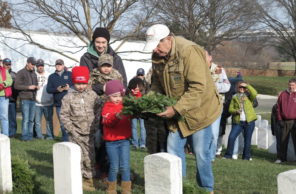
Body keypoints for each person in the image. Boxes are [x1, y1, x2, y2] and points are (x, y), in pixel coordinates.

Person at [143, 24, 222, 193]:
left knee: (201, 154)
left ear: (169, 39)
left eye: (158, 45)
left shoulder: (189, 51)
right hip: (176, 111)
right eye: (154, 46)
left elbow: (198, 88)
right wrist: (149, 101)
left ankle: (206, 189)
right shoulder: (157, 55)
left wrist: (176, 109)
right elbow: (157, 82)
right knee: (173, 151)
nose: (155, 50)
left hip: (201, 111)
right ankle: (180, 187)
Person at [60, 66, 99, 191]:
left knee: (90, 156)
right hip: (76, 133)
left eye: (83, 83)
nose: (81, 86)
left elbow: (99, 110)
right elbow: (64, 115)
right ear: (73, 82)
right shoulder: (68, 97)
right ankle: (81, 179)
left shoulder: (93, 95)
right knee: (79, 157)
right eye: (78, 83)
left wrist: (96, 125)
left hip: (90, 132)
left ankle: (90, 177)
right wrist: (71, 130)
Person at [101, 80, 132, 194]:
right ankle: (111, 189)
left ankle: (126, 189)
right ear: (108, 96)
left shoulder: (125, 105)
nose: (118, 99)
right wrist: (117, 116)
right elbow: (108, 122)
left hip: (124, 140)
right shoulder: (106, 108)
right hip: (111, 142)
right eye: (114, 96)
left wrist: (137, 94)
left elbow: (136, 105)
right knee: (114, 166)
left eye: (120, 96)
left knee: (125, 166)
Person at [206, 51, 230, 160]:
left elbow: (226, 86)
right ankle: (202, 154)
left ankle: (211, 156)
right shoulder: (197, 69)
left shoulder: (219, 69)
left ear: (210, 57)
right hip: (201, 105)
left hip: (216, 104)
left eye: (205, 56)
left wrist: (212, 86)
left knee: (214, 133)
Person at [224, 81, 257, 160]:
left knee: (247, 140)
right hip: (238, 122)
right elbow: (230, 109)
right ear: (237, 88)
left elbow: (254, 93)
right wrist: (236, 111)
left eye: (244, 88)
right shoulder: (234, 97)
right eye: (240, 87)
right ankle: (228, 155)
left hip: (249, 121)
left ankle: (246, 157)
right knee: (231, 137)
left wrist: (247, 85)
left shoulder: (249, 97)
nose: (242, 89)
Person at [47, 59, 72, 141]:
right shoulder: (51, 76)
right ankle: (65, 139)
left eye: (60, 64)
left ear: (63, 65)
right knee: (62, 123)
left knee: (72, 121)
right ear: (55, 66)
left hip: (70, 102)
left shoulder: (70, 74)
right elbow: (48, 89)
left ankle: (73, 138)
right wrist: (57, 89)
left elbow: (76, 85)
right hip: (59, 104)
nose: (58, 66)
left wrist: (69, 88)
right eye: (57, 65)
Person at [14, 57, 38, 141]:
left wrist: (36, 87)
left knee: (31, 120)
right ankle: (24, 137)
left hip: (33, 99)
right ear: (27, 63)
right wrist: (28, 87)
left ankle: (30, 136)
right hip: (25, 99)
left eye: (34, 64)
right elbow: (16, 86)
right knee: (26, 119)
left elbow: (35, 84)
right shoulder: (20, 72)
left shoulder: (34, 73)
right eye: (32, 64)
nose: (33, 66)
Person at [276, 78, 296, 163]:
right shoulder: (283, 94)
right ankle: (281, 158)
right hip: (285, 121)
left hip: (295, 121)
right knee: (283, 141)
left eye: (293, 85)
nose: (291, 87)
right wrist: (280, 119)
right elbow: (278, 108)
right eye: (290, 85)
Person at [35, 59, 54, 139]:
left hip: (48, 103)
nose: (40, 67)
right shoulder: (34, 75)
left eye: (41, 66)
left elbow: (53, 87)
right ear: (36, 66)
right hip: (37, 103)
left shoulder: (49, 75)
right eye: (38, 66)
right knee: (37, 122)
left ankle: (50, 136)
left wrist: (51, 98)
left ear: (43, 66)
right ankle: (39, 136)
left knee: (49, 121)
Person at [127, 77, 147, 149]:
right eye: (135, 86)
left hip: (142, 113)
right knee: (134, 127)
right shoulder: (129, 93)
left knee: (142, 127)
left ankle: (142, 143)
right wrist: (132, 95)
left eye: (138, 86)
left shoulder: (144, 93)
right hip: (133, 113)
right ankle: (135, 143)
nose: (137, 88)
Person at [2, 58, 18, 137]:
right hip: (3, 97)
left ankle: (12, 133)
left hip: (12, 99)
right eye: (6, 64)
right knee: (3, 116)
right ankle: (4, 132)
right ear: (3, 64)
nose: (8, 66)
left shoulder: (14, 74)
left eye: (9, 64)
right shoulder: (1, 73)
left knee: (12, 117)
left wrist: (15, 96)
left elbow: (17, 87)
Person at [0, 59, 13, 136]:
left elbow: (10, 80)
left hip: (3, 97)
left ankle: (5, 136)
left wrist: (3, 84)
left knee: (4, 116)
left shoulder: (4, 71)